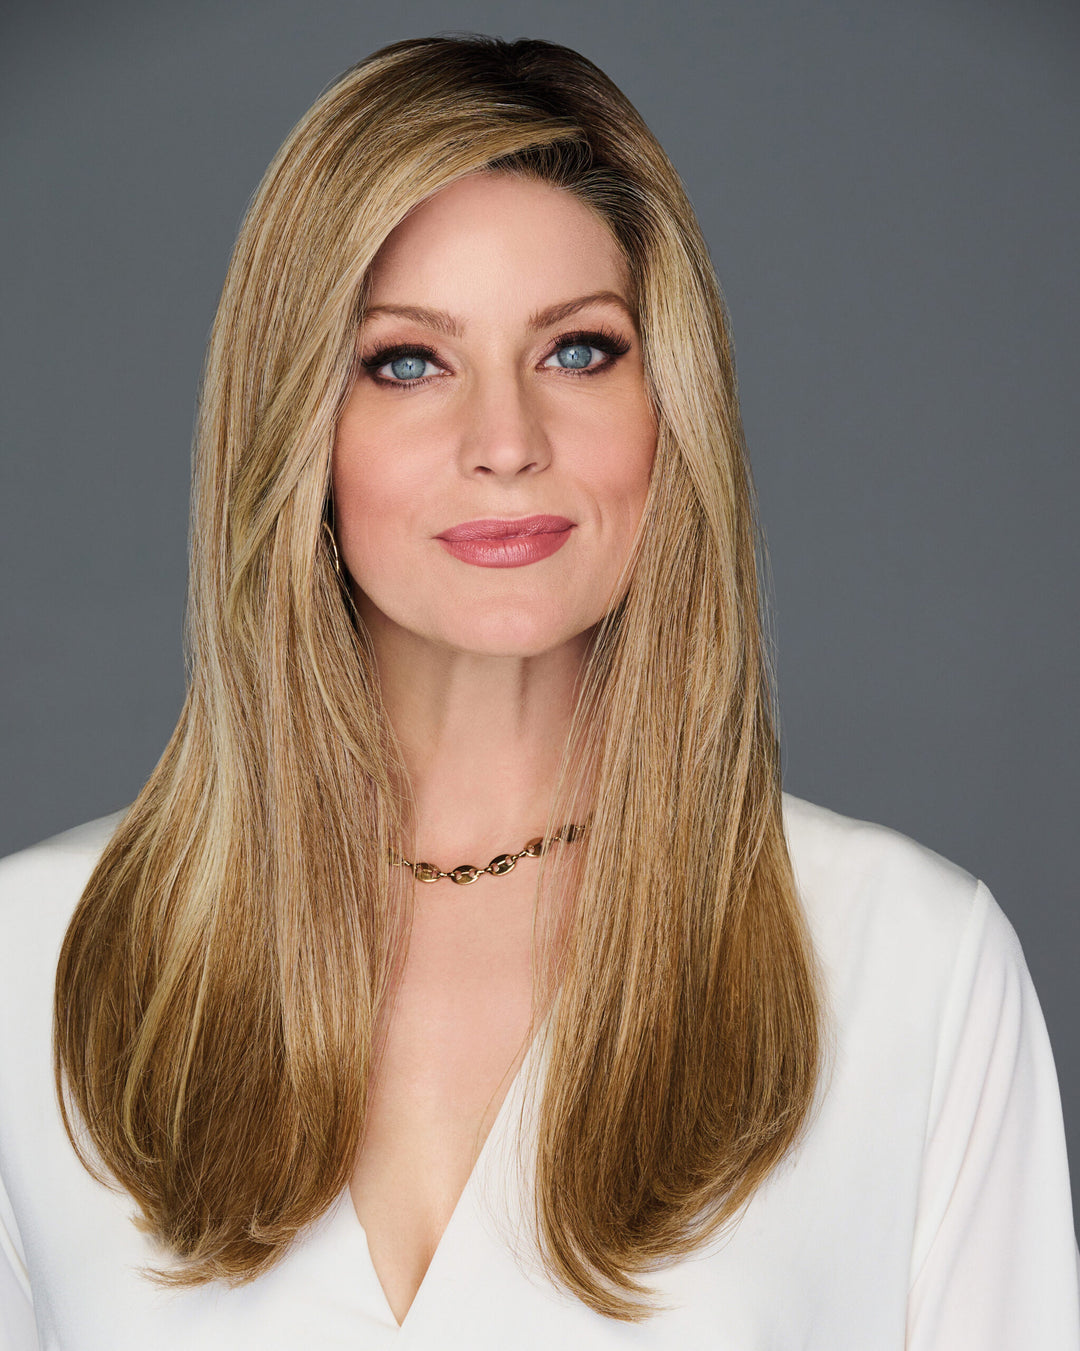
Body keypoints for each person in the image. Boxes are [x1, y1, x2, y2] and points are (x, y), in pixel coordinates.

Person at [0, 33, 1076, 1350]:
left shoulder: (909, 965)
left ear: (670, 406)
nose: (506, 443)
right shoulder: (30, 967)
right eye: (408, 361)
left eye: (577, 351)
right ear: (297, 427)